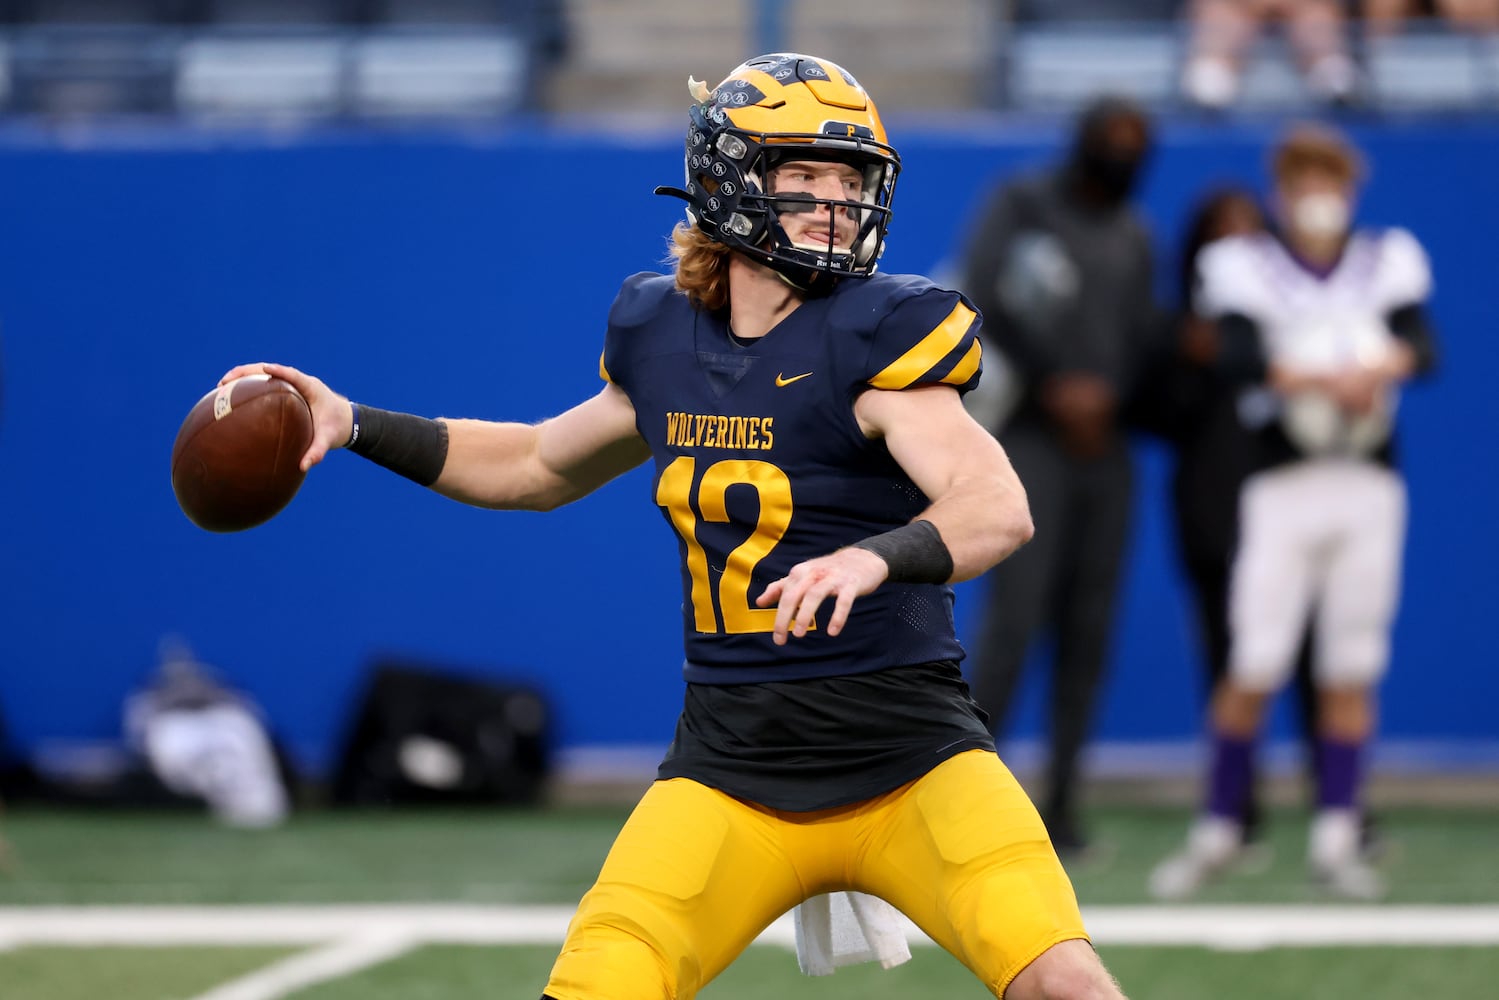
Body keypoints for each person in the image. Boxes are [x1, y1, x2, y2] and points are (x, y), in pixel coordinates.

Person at [222, 53, 1128, 1000]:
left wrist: (870, 558)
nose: (834, 202)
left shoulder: (880, 333)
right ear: (730, 183)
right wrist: (354, 422)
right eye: (804, 177)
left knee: (1064, 984)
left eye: (848, 180)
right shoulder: (663, 337)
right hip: (727, 773)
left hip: (912, 763)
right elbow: (533, 464)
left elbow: (996, 505)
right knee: (598, 985)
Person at [1148, 122, 1438, 901]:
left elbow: (1422, 344)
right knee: (1254, 660)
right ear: (1282, 190)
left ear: (1349, 188)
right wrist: (1314, 378)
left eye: (1329, 180)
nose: (1317, 196)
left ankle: (1337, 837)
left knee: (1350, 665)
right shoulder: (1247, 268)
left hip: (1366, 484)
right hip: (1280, 486)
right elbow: (1234, 352)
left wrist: (1379, 364)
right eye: (1303, 180)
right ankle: (1218, 827)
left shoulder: (1384, 260)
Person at [957, 95, 1160, 856]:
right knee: (1013, 623)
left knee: (1088, 632)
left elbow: (1142, 335)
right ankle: (969, 802)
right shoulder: (1021, 204)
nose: (1123, 154)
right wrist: (1055, 385)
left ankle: (1062, 809)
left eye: (1136, 143)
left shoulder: (1136, 235)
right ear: (1080, 144)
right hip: (1029, 440)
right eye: (1111, 139)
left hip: (1105, 452)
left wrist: (1114, 396)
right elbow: (980, 293)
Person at [1179, 0, 1360, 110]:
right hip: (1235, 8)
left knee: (1317, 15)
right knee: (1218, 12)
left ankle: (1330, 69)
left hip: (1302, 7)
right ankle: (1213, 70)